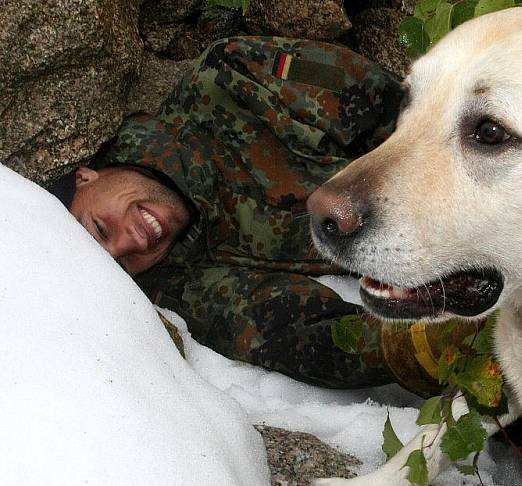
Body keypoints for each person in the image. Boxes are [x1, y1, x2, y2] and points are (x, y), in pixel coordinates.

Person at [49, 36, 475, 396]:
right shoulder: (184, 284)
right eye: (119, 263)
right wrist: (430, 343)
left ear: (87, 176)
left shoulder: (228, 79)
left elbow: (402, 105)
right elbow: (302, 334)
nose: (131, 243)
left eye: (101, 228)